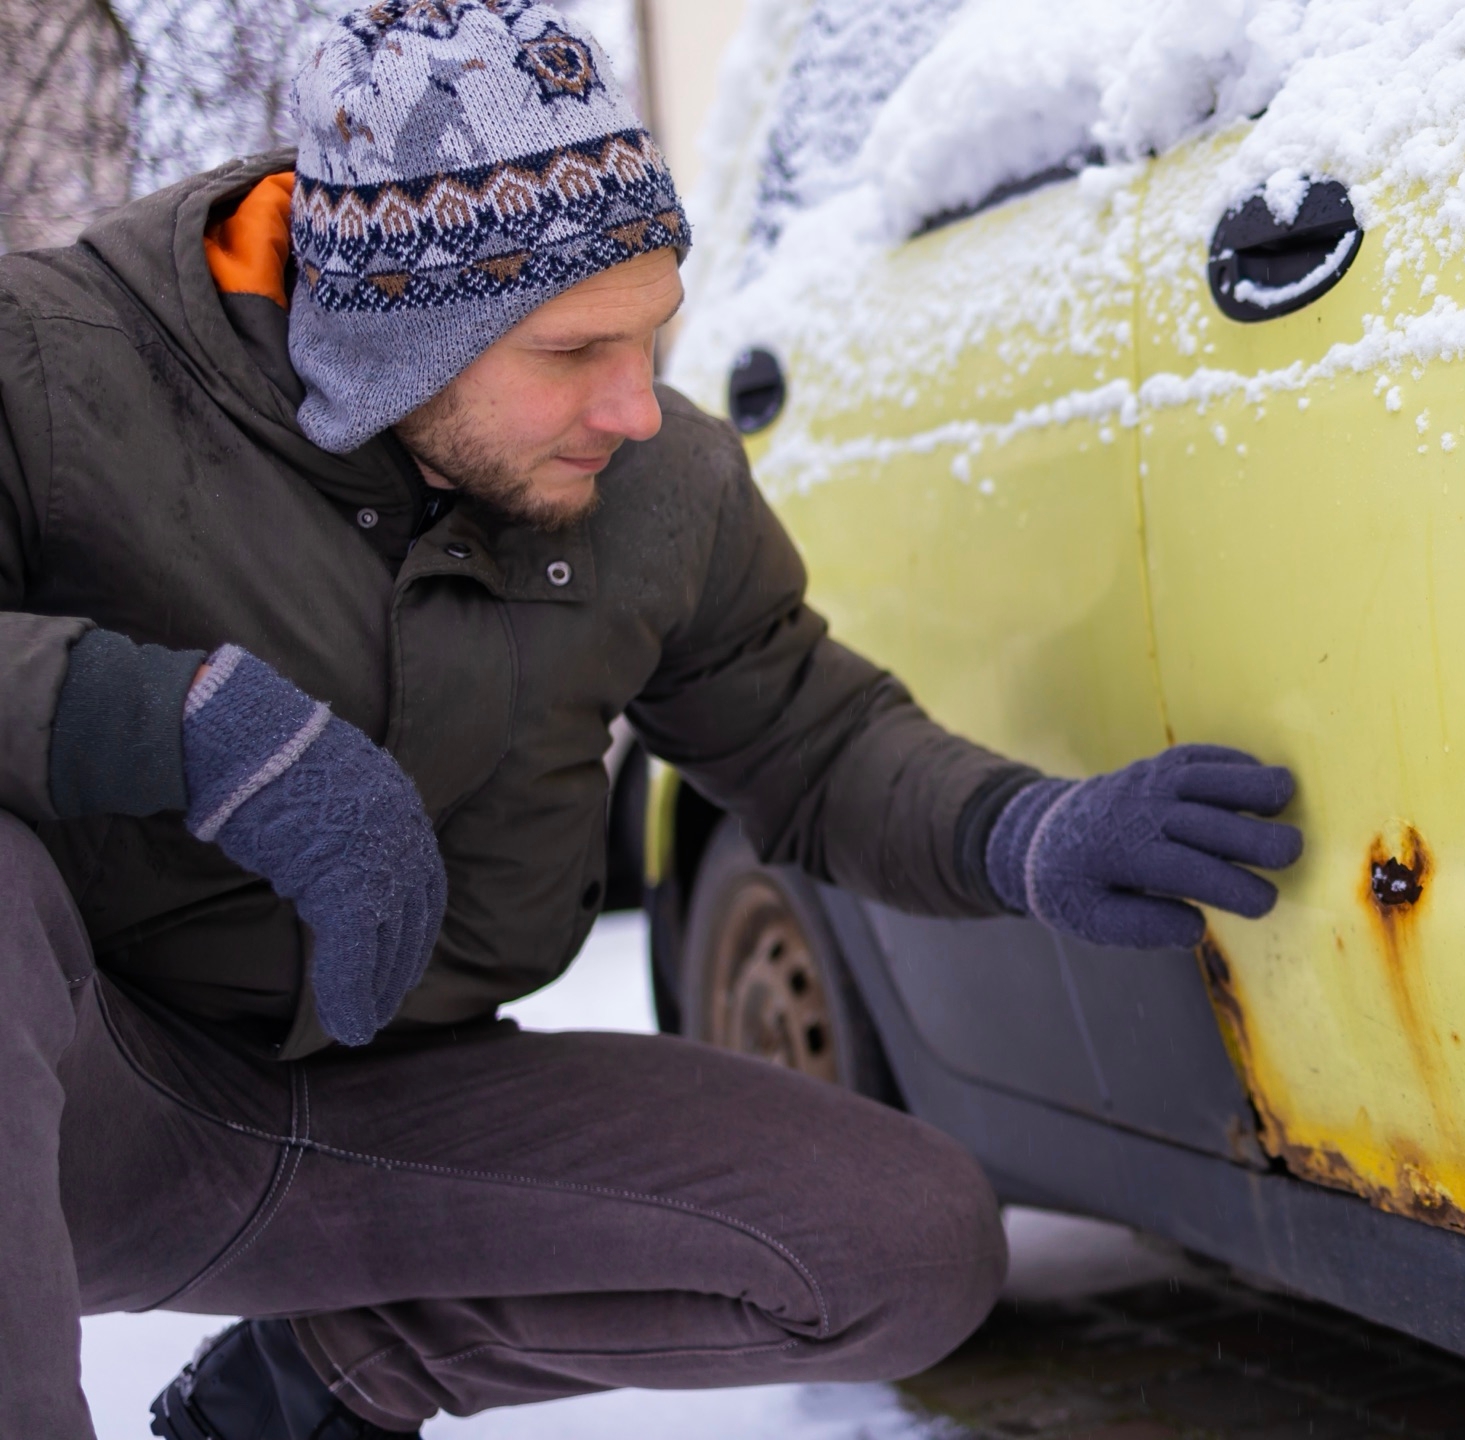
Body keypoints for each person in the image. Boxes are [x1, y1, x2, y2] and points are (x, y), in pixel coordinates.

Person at [0, 3, 1303, 1437]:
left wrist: (1023, 829)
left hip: (405, 1119)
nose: (635, 405)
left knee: (900, 1240)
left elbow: (809, 735)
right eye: (572, 351)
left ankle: (321, 1384)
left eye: (653, 334)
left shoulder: (653, 484)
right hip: (89, 1117)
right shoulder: (56, 380)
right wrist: (185, 727)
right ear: (385, 336)